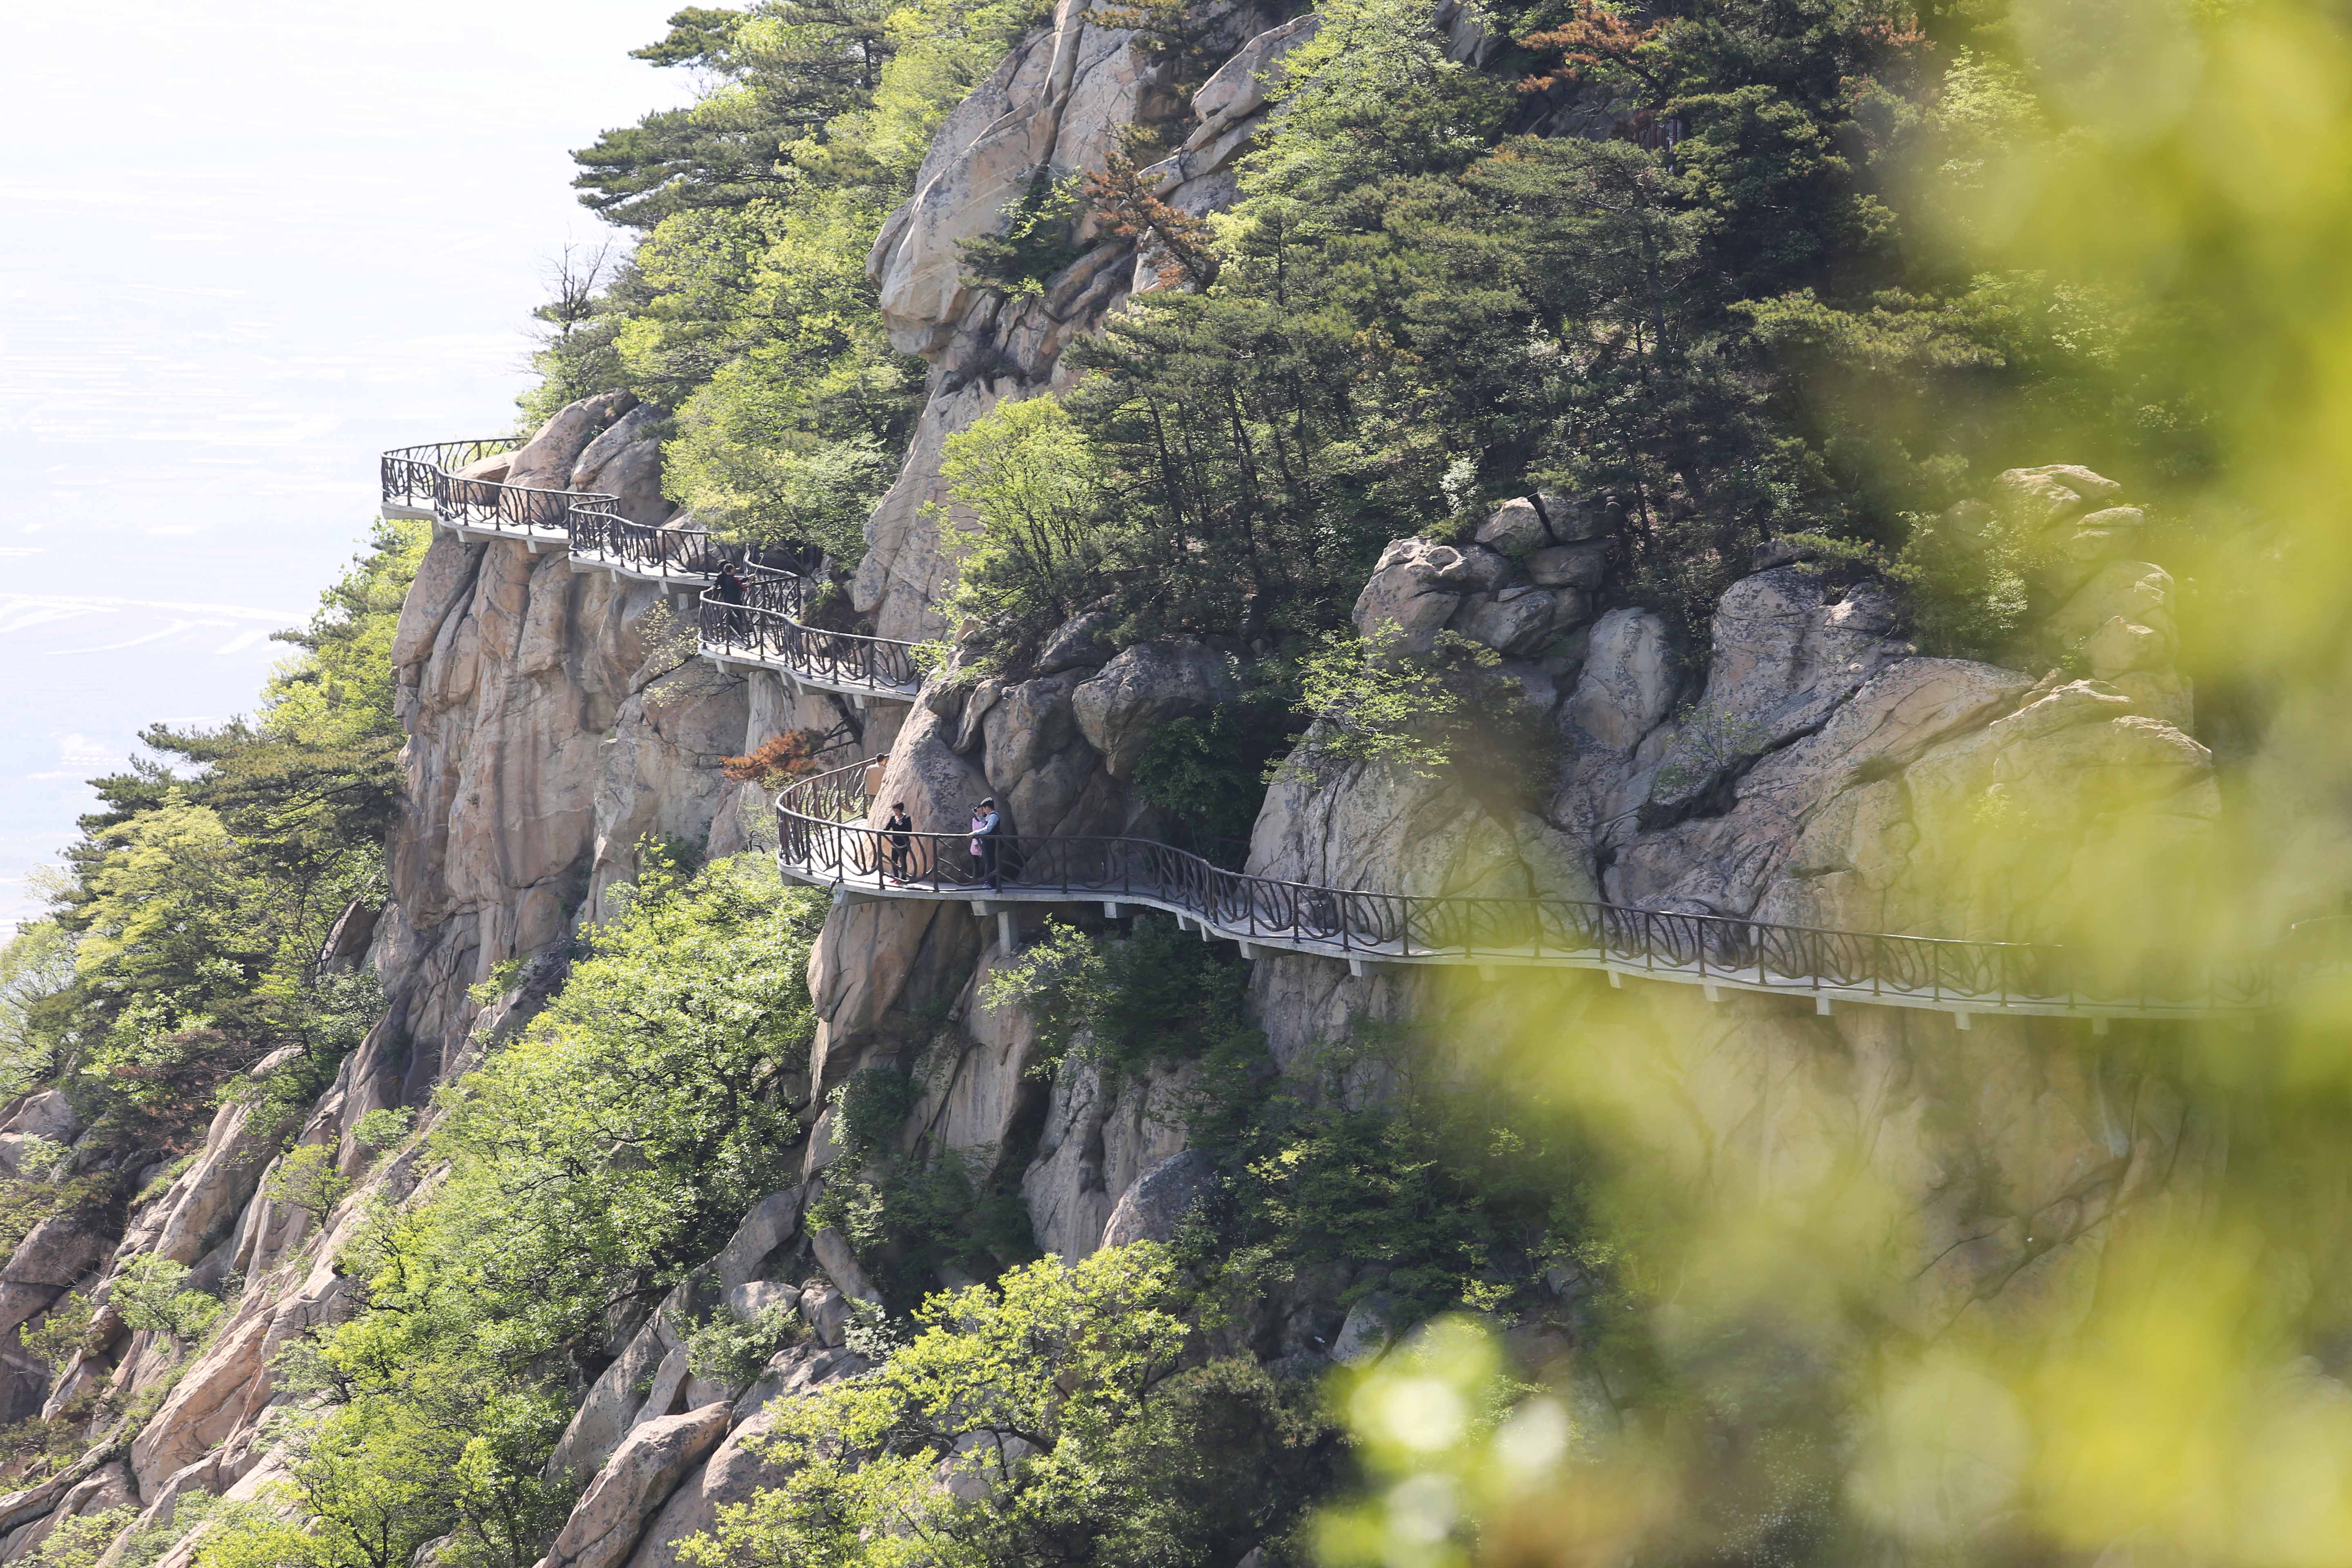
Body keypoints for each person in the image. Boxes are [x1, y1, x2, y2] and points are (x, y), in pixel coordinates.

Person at [710, 562, 748, 644]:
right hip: (734, 599)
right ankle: (736, 633)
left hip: (728, 598)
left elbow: (737, 583)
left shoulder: (728, 577)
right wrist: (714, 587)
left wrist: (747, 578)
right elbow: (742, 586)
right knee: (737, 616)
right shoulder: (723, 576)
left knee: (731, 616)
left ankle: (732, 633)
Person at [970, 797, 1003, 890]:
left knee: (991, 863)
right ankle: (990, 881)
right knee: (988, 862)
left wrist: (975, 833)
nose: (983, 811)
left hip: (992, 843)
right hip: (988, 843)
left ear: (987, 808)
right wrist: (979, 817)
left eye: (984, 809)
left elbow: (988, 828)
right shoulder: (991, 816)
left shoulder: (994, 816)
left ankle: (992, 883)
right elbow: (985, 823)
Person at [883, 800, 913, 882]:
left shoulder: (907, 819)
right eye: (894, 811)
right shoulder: (893, 818)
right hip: (895, 844)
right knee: (894, 861)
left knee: (903, 861)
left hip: (904, 844)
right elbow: (887, 828)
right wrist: (881, 832)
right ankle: (896, 878)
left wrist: (902, 824)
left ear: (901, 810)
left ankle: (903, 878)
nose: (896, 812)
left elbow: (909, 831)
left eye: (897, 811)